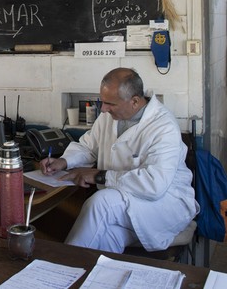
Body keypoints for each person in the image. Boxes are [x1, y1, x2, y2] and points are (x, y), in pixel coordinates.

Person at [41, 67, 199, 252]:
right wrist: (64, 161)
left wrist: (101, 176)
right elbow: (89, 146)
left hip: (164, 203)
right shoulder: (109, 115)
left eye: (110, 104)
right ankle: (89, 278)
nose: (104, 109)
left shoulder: (163, 127)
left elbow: (155, 185)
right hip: (127, 200)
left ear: (134, 101)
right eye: (102, 102)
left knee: (102, 204)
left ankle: (62, 269)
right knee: (109, 236)